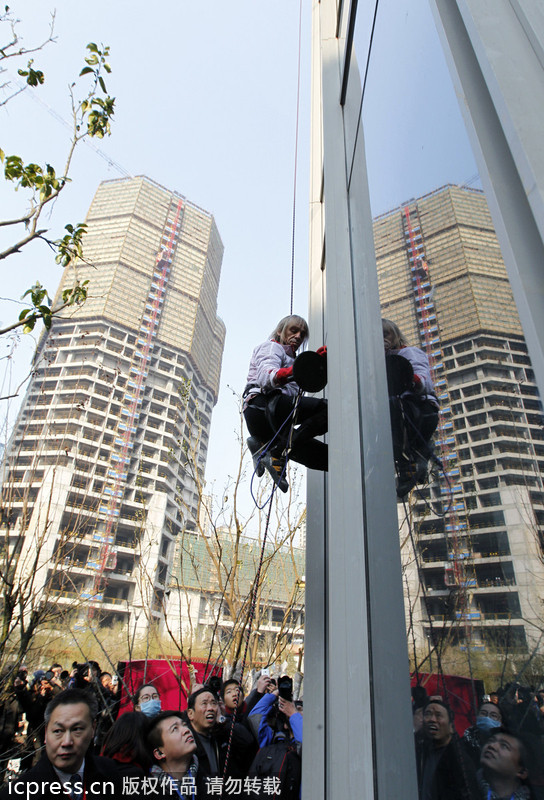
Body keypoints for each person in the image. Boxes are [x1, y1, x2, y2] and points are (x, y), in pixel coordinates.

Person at [243, 315, 328, 492]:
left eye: (302, 334)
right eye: (293, 330)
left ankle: (265, 447)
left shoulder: (292, 360)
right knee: (327, 410)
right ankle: (277, 450)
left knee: (326, 458)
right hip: (262, 406)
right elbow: (267, 376)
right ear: (280, 331)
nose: (298, 336)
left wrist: (312, 366)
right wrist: (296, 370)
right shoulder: (271, 347)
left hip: (272, 420)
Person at [0, 687, 123, 800]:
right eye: (58, 731)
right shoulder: (18, 794)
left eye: (77, 729)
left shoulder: (111, 774)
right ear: (47, 732)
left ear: (93, 729)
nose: (67, 742)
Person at [383, 318, 439, 498]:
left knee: (389, 408)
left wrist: (412, 380)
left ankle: (412, 461)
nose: (382, 339)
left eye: (386, 334)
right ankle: (414, 460)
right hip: (404, 413)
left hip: (419, 410)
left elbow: (424, 380)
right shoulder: (380, 361)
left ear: (396, 336)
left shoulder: (409, 353)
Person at [416, 699, 479, 800]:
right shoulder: (421, 752)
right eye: (428, 714)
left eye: (438, 715)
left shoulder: (460, 760)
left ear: (451, 727)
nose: (432, 719)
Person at [146, 711, 199, 796]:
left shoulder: (209, 783)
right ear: (159, 753)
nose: (186, 730)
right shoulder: (146, 792)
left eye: (185, 725)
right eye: (175, 729)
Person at [477, 729, 536, 799]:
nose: (492, 746)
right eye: (491, 741)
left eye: (504, 746)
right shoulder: (466, 783)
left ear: (522, 772)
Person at [462, 701, 503, 767]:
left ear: (499, 720)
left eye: (493, 715)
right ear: (477, 716)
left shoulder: (504, 747)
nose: (487, 718)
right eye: (483, 713)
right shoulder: (463, 743)